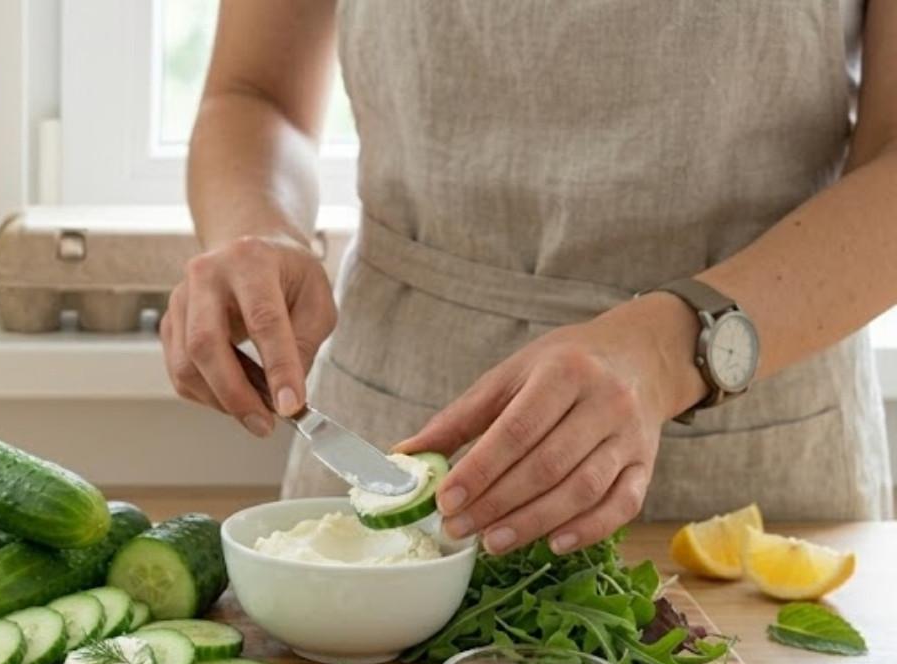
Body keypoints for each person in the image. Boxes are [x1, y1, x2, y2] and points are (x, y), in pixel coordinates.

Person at [163, 0, 897, 554]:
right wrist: (255, 230)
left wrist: (671, 350)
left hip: (750, 452)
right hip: (397, 409)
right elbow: (255, 94)